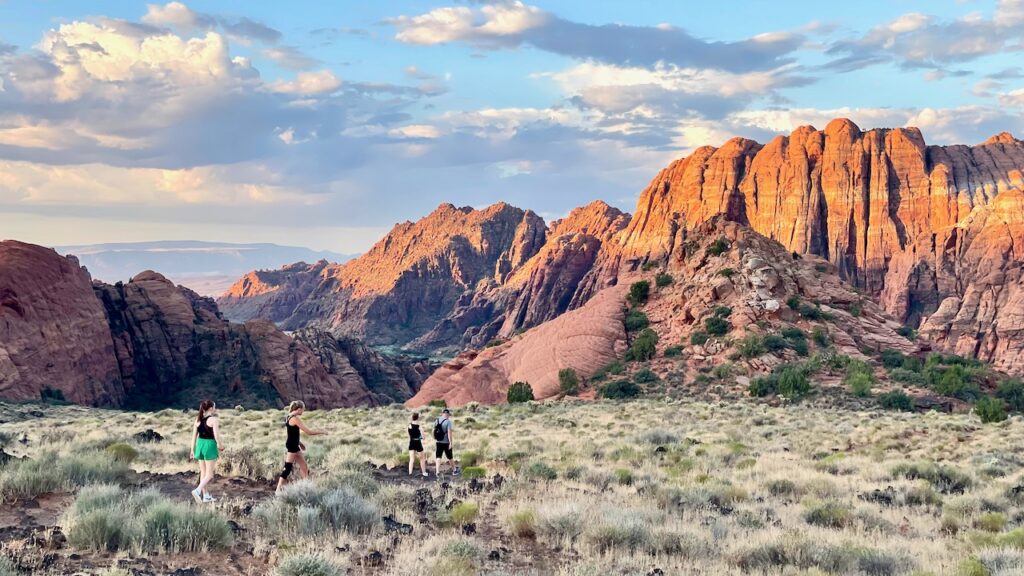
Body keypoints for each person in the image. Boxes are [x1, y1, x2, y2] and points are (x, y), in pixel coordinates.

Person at [276, 400, 327, 493]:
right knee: (287, 468)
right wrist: (322, 431)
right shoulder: (295, 418)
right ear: (299, 409)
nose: (303, 411)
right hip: (292, 446)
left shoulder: (289, 416)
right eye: (303, 409)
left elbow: (292, 434)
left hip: (294, 444)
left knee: (304, 467)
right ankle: (278, 490)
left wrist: (300, 443)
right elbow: (308, 432)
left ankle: (306, 487)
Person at [189, 399, 222, 503]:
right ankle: (197, 490)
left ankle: (206, 496)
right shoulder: (214, 419)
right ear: (211, 408)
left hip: (200, 445)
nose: (215, 409)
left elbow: (194, 437)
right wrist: (220, 445)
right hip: (209, 445)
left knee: (203, 472)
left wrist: (192, 450)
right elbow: (216, 436)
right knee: (209, 475)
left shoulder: (198, 420)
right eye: (214, 407)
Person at [433, 408, 456, 476]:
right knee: (450, 457)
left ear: (442, 413)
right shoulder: (448, 422)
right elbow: (449, 433)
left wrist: (435, 438)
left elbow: (433, 430)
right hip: (446, 442)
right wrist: (450, 443)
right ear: (448, 414)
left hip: (438, 441)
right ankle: (454, 470)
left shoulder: (437, 420)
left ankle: (437, 471)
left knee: (438, 456)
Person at [408, 412, 428, 477]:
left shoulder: (409, 426)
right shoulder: (419, 427)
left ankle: (410, 473)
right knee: (422, 458)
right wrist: (420, 437)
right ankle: (424, 472)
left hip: (411, 442)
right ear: (418, 418)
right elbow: (424, 437)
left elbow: (409, 435)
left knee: (412, 459)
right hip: (418, 443)